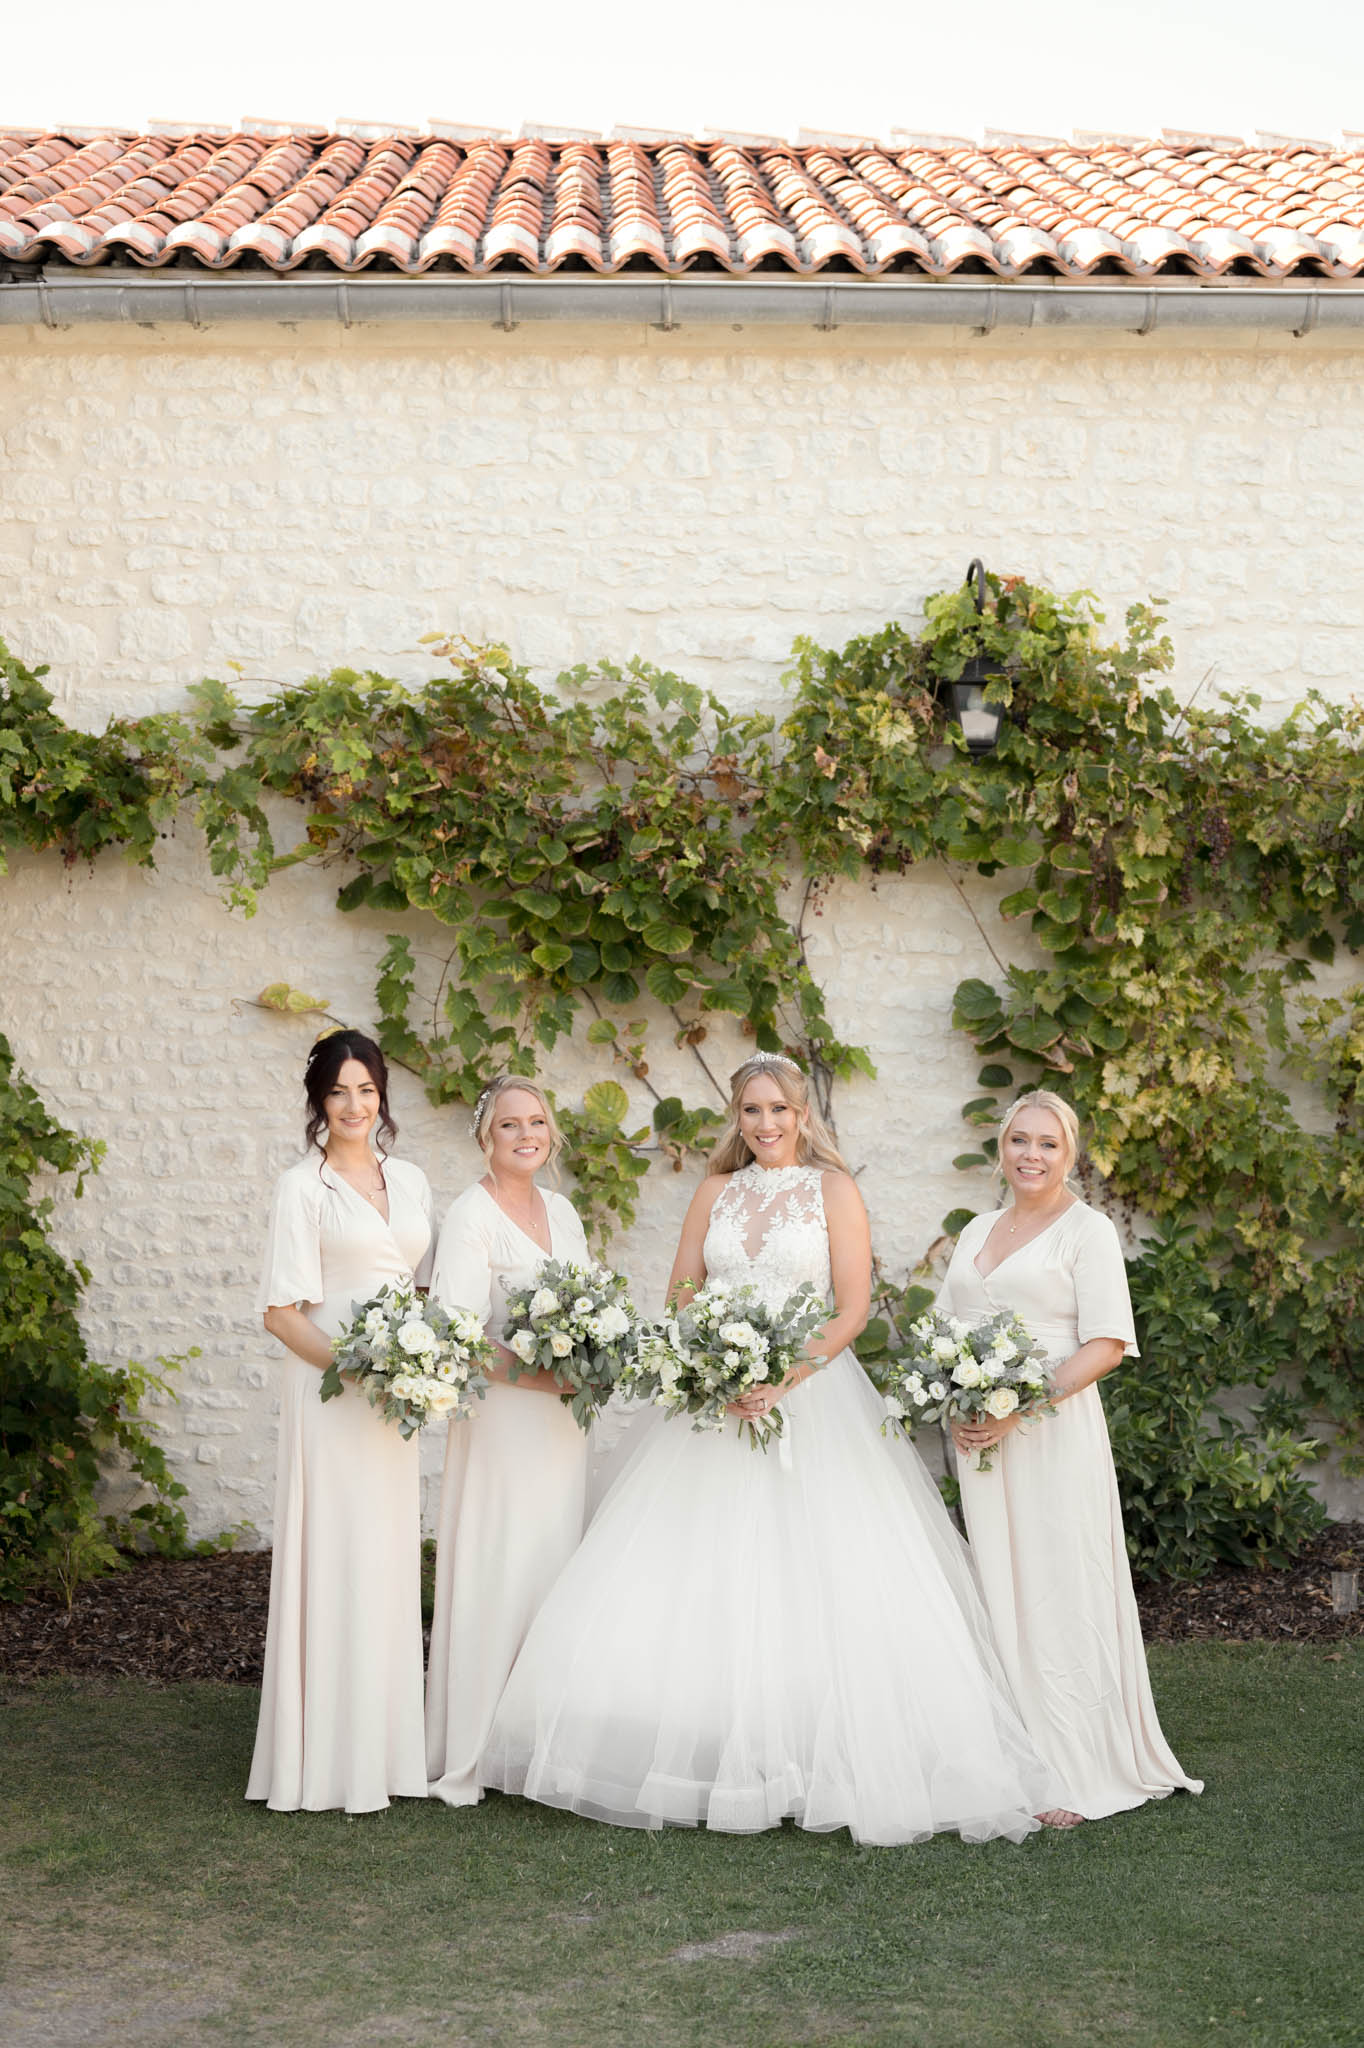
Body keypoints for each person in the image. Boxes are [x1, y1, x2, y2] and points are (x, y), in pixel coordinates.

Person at [479, 1053, 1061, 1846]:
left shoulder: (833, 1191)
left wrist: (783, 1375)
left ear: (803, 1115)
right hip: (715, 1402)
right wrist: (715, 1361)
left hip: (811, 1399)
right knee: (694, 1576)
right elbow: (681, 1293)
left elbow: (851, 1308)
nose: (765, 1125)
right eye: (751, 1111)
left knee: (820, 1577)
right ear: (737, 1117)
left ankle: (816, 1754)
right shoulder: (715, 1191)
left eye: (779, 1110)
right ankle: (705, 1751)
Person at [939, 1089, 1202, 1826]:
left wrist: (1019, 1403)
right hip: (980, 1442)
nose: (1031, 1154)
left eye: (1048, 1144)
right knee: (998, 1585)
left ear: (1071, 1153)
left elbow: (1107, 1344)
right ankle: (1009, 1757)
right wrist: (954, 1399)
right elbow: (948, 1325)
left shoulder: (1086, 1231)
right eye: (1019, 1140)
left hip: (1050, 1433)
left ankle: (1076, 1766)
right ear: (1001, 1148)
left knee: (1057, 1585)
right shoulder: (977, 1229)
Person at [248, 1029, 434, 1814]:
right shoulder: (303, 1187)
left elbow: (421, 1292)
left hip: (395, 1403)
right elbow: (281, 1314)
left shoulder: (414, 1180)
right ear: (318, 1103)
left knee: (386, 1555)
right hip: (332, 1393)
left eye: (365, 1090)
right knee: (332, 1552)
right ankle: (318, 1760)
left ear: (382, 1094)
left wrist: (420, 1361)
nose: (354, 1106)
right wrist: (356, 1368)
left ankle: (384, 1754)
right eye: (338, 1093)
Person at [424, 1076, 591, 1808]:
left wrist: (588, 1368)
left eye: (537, 1123)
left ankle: (535, 1745)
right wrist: (538, 1377)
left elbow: (588, 1309)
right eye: (509, 1126)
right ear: (486, 1139)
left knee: (552, 1564)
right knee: (500, 1564)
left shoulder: (561, 1210)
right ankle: (473, 1748)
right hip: (502, 1419)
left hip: (561, 1424)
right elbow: (456, 1335)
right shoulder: (471, 1215)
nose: (527, 1135)